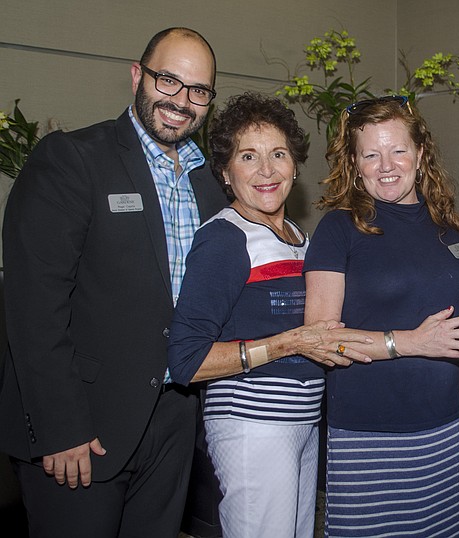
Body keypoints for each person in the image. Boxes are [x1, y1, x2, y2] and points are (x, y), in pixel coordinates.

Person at [0, 28, 227, 537]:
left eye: (198, 91)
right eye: (168, 80)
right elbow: (34, 307)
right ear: (136, 76)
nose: (181, 101)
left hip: (173, 423)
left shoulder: (209, 184)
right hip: (83, 429)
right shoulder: (72, 160)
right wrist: (59, 428)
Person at [167, 92, 374, 538]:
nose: (266, 170)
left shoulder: (299, 237)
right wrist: (287, 343)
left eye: (278, 154)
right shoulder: (225, 239)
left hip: (300, 423)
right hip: (251, 425)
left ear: (295, 166)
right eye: (248, 156)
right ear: (225, 172)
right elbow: (186, 360)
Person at [303, 95, 459, 537]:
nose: (386, 165)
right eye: (371, 154)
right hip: (367, 434)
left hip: (440, 433)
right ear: (355, 163)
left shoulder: (452, 231)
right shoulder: (339, 229)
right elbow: (319, 340)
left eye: (397, 150)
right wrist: (411, 342)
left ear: (420, 154)